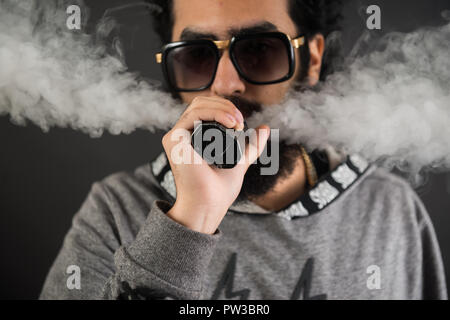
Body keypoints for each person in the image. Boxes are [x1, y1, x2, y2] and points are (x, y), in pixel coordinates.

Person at [40, 0, 447, 299]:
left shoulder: (389, 210)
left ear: (312, 58)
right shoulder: (116, 210)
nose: (226, 85)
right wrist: (189, 221)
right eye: (198, 57)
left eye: (259, 49)